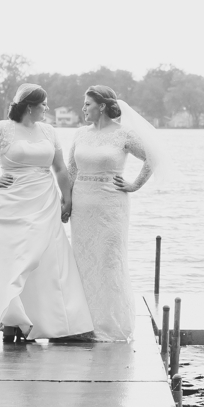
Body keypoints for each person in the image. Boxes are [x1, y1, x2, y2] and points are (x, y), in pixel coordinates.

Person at [0, 83, 93, 343]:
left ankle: (59, 324)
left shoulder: (48, 131)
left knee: (48, 260)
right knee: (12, 260)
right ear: (30, 106)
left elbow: (59, 169)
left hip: (44, 201)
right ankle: (13, 321)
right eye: (44, 104)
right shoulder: (0, 129)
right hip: (9, 203)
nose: (47, 108)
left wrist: (67, 199)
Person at [66, 85, 164, 343]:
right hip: (82, 207)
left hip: (111, 206)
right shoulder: (79, 134)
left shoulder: (124, 134)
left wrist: (134, 185)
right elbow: (71, 170)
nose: (83, 109)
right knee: (83, 262)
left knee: (108, 262)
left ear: (101, 106)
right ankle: (83, 324)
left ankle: (109, 324)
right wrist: (66, 202)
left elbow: (153, 157)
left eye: (87, 104)